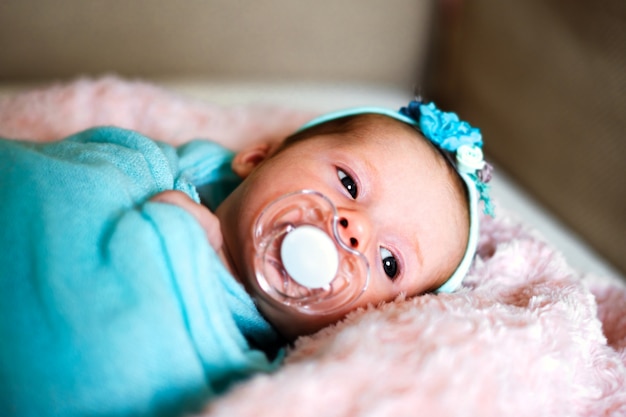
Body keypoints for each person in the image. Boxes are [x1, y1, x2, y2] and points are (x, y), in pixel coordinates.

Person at [0, 100, 492, 417]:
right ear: (257, 159)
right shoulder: (142, 170)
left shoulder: (256, 382)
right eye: (348, 183)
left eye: (389, 263)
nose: (355, 229)